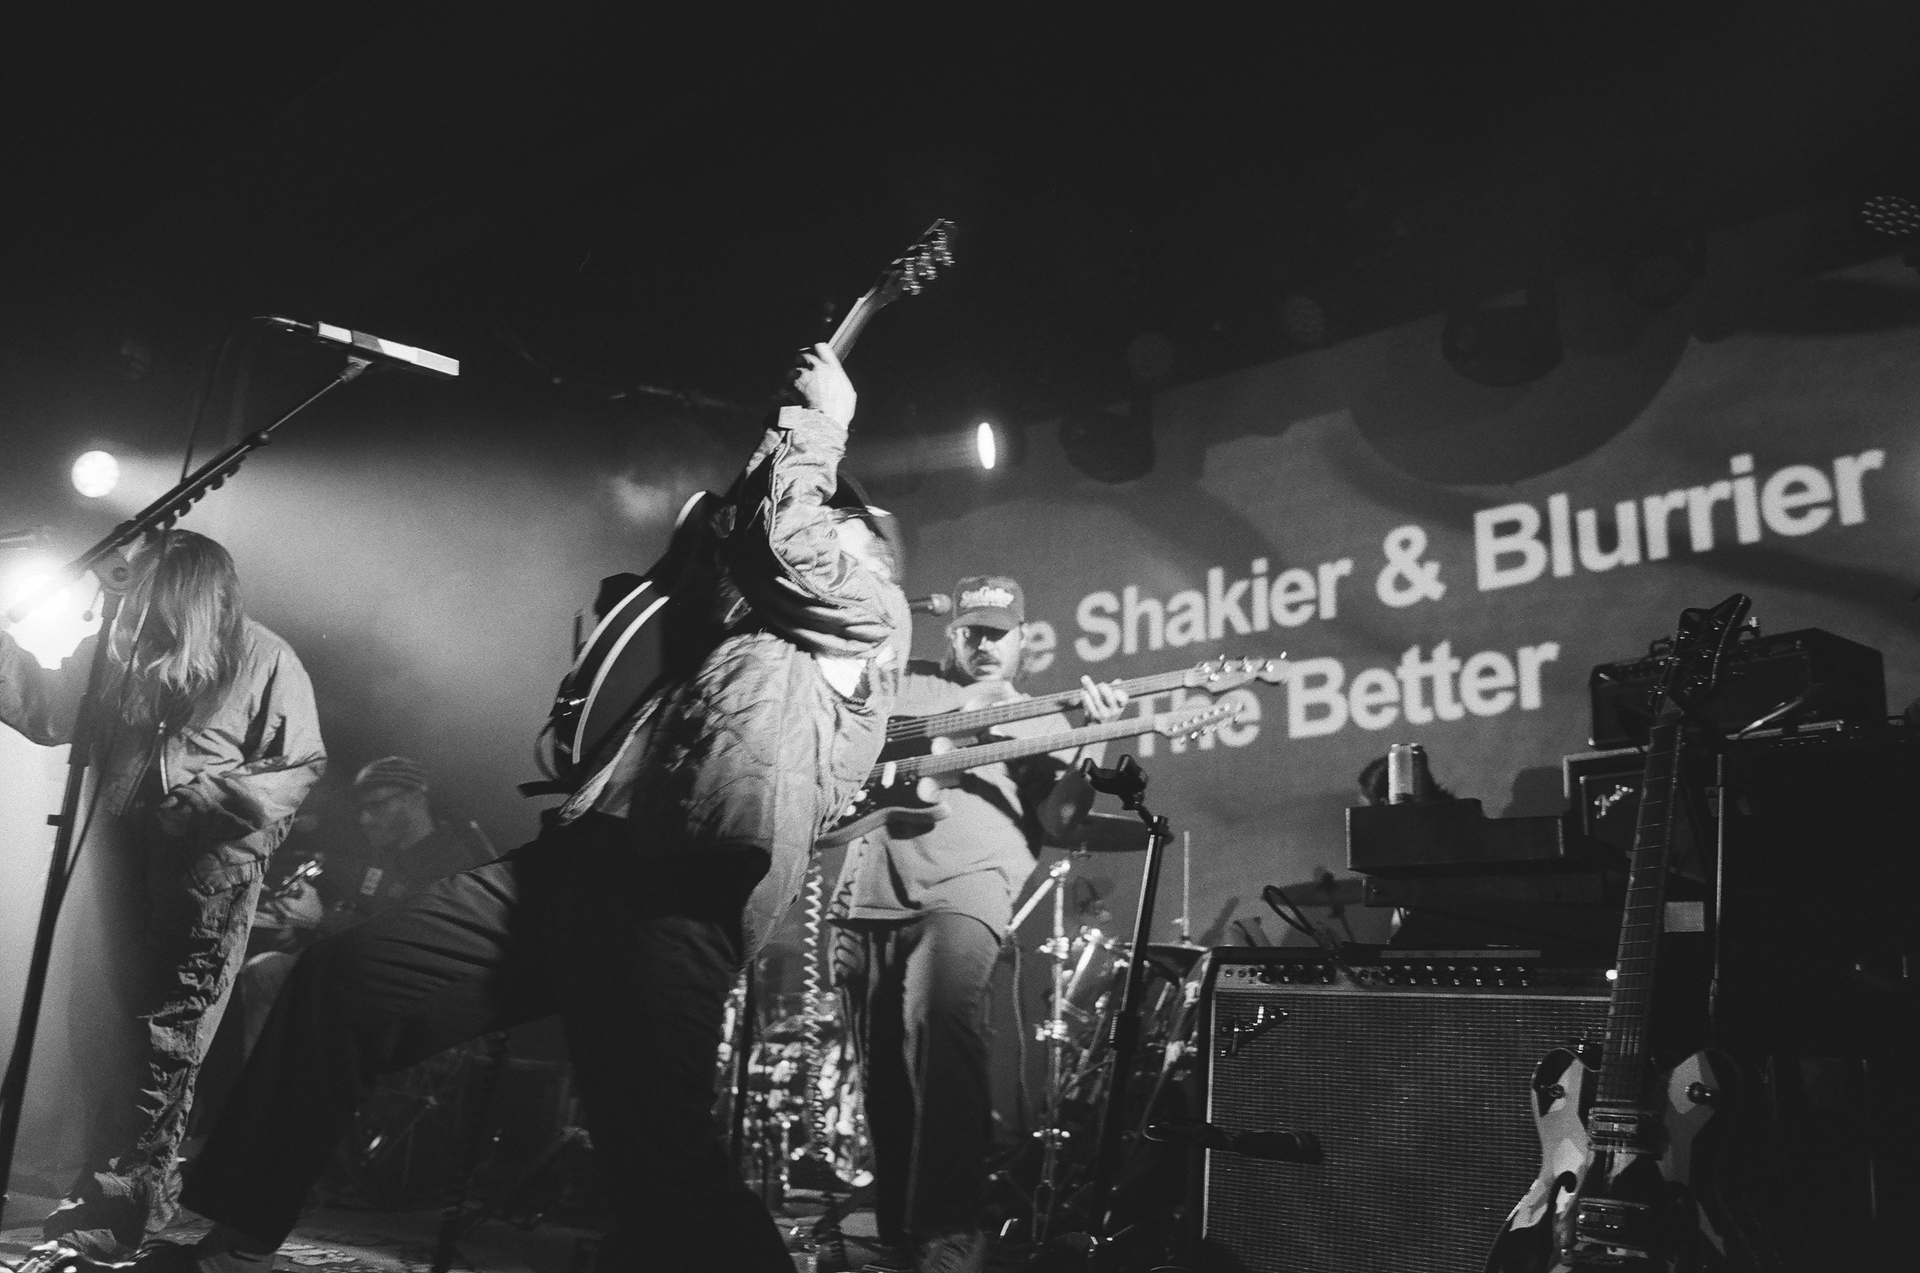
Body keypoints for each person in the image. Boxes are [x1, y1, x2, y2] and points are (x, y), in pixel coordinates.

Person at [92, 343, 908, 1273]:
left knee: (659, 1155)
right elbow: (714, 556)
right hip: (580, 863)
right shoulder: (740, 617)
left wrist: (821, 422)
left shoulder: (866, 606)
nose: (810, 519)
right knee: (342, 983)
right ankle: (234, 1239)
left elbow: (784, 544)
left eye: (831, 517)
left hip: (684, 882)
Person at [0, 530, 325, 1262]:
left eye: (155, 599)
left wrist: (209, 801)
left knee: (161, 1044)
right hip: (115, 869)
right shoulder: (123, 650)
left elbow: (300, 764)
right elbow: (49, 708)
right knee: (97, 1031)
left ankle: (121, 1208)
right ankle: (108, 1190)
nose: (139, 614)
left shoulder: (266, 659)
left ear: (191, 595)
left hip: (201, 886)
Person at [830, 576, 1126, 1273]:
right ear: (952, 633)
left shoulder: (1043, 717)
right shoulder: (906, 683)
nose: (987, 644)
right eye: (974, 631)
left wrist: (1095, 741)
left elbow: (1062, 822)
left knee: (942, 1022)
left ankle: (950, 1227)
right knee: (880, 1068)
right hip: (869, 889)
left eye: (1001, 632)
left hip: (970, 885)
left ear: (1024, 639)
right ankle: (899, 1230)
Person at [190, 756, 497, 1137]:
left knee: (266, 974)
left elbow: (411, 944)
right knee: (244, 972)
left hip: (408, 998)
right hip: (362, 981)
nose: (366, 818)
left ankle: (255, 1121)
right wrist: (303, 929)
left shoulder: (451, 864)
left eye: (377, 805)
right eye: (362, 810)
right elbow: (367, 921)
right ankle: (237, 1115)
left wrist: (321, 920)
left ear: (416, 799)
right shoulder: (384, 860)